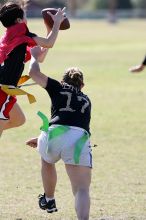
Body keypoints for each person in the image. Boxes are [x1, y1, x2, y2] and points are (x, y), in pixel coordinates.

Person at [26, 46, 92, 220]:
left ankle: (49, 199)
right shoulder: (86, 99)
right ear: (82, 85)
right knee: (82, 189)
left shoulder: (57, 87)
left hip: (53, 135)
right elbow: (73, 123)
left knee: (47, 159)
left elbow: (33, 72)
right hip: (78, 139)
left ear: (63, 81)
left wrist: (33, 56)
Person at [0, 1, 66, 137]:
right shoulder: (22, 35)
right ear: (19, 20)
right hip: (2, 93)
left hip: (6, 90)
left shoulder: (13, 38)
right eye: (24, 16)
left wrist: (50, 29)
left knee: (18, 119)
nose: (26, 20)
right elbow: (49, 43)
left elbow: (39, 56)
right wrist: (57, 23)